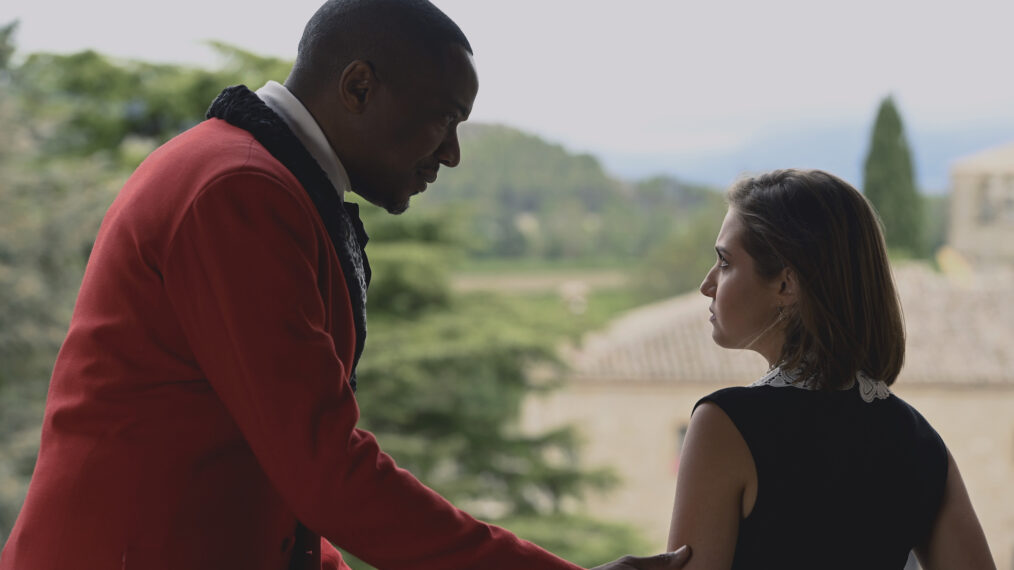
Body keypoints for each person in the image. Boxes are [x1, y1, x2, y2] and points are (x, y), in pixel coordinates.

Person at [0, 1, 691, 569]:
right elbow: (324, 470)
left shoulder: (254, 177)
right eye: (445, 118)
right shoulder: (237, 192)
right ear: (358, 87)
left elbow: (276, 472)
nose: (451, 153)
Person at [665, 169, 996, 569]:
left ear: (786, 285)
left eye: (724, 262)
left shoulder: (725, 427)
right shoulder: (918, 438)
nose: (707, 283)